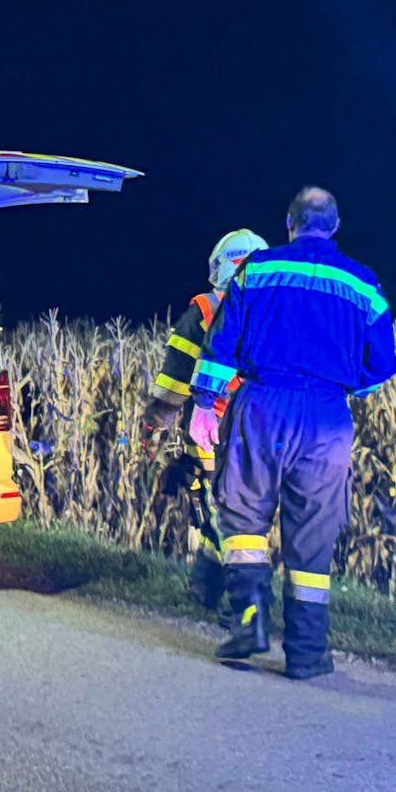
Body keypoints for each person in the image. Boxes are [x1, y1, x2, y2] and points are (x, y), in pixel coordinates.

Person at [188, 187, 396, 680]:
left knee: (243, 512)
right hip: (327, 416)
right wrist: (342, 384)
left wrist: (202, 405)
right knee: (312, 532)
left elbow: (221, 345)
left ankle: (250, 621)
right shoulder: (364, 285)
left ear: (290, 223)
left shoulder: (257, 271)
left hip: (264, 404)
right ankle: (306, 652)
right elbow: (382, 364)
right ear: (335, 226)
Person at [140, 229, 268, 619]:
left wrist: (153, 425)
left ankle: (243, 608)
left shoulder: (204, 311)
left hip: (214, 426)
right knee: (240, 512)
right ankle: (204, 587)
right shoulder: (278, 309)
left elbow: (175, 385)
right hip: (271, 431)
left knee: (224, 511)